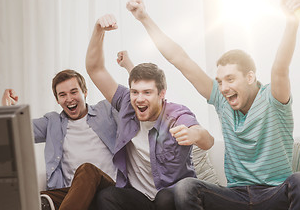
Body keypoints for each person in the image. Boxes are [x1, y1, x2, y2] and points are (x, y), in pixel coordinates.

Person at [126, 0, 300, 210]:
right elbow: (180, 59)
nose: (223, 88)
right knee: (187, 187)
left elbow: (280, 67)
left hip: (274, 194)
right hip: (236, 196)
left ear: (250, 77)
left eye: (230, 79)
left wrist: (291, 21)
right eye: (220, 81)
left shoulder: (273, 99)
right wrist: (144, 18)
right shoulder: (222, 101)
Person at [85, 13, 214, 210]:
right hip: (139, 198)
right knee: (107, 197)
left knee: (164, 198)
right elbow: (95, 69)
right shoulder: (127, 104)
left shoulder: (176, 115)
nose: (139, 98)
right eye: (135, 92)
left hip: (172, 197)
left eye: (147, 92)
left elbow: (208, 141)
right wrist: (98, 30)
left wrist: (193, 134)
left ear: (162, 94)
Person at [2, 56, 134, 210]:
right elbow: (17, 132)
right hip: (74, 195)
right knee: (32, 198)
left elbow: (133, 102)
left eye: (73, 92)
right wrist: (7, 109)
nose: (69, 99)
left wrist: (129, 67)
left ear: (84, 92)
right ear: (57, 100)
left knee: (87, 170)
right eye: (62, 95)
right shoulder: (53, 122)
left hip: (109, 189)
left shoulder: (106, 110)